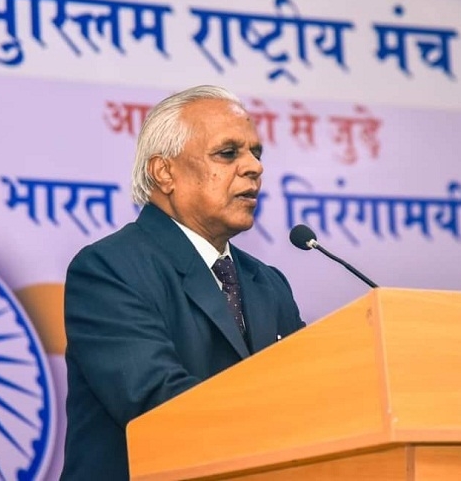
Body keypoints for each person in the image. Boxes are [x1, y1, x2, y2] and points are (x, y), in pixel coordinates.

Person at [61, 85, 305, 480]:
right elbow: (159, 403)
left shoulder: (268, 283)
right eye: (228, 153)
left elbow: (312, 390)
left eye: (256, 153)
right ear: (164, 172)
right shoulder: (108, 269)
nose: (254, 167)